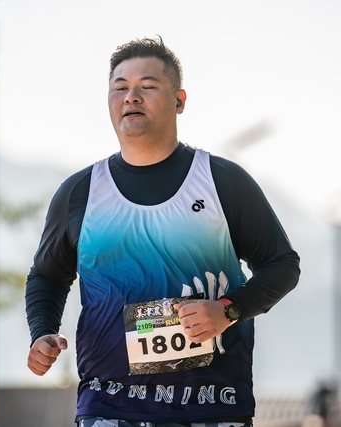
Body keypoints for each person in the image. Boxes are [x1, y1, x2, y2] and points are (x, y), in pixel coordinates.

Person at [25, 37, 301, 427]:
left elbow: (282, 265)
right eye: (120, 87)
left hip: (212, 405)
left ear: (179, 101)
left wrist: (228, 310)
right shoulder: (80, 193)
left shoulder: (222, 181)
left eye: (148, 86)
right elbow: (47, 275)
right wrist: (42, 333)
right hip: (109, 406)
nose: (131, 96)